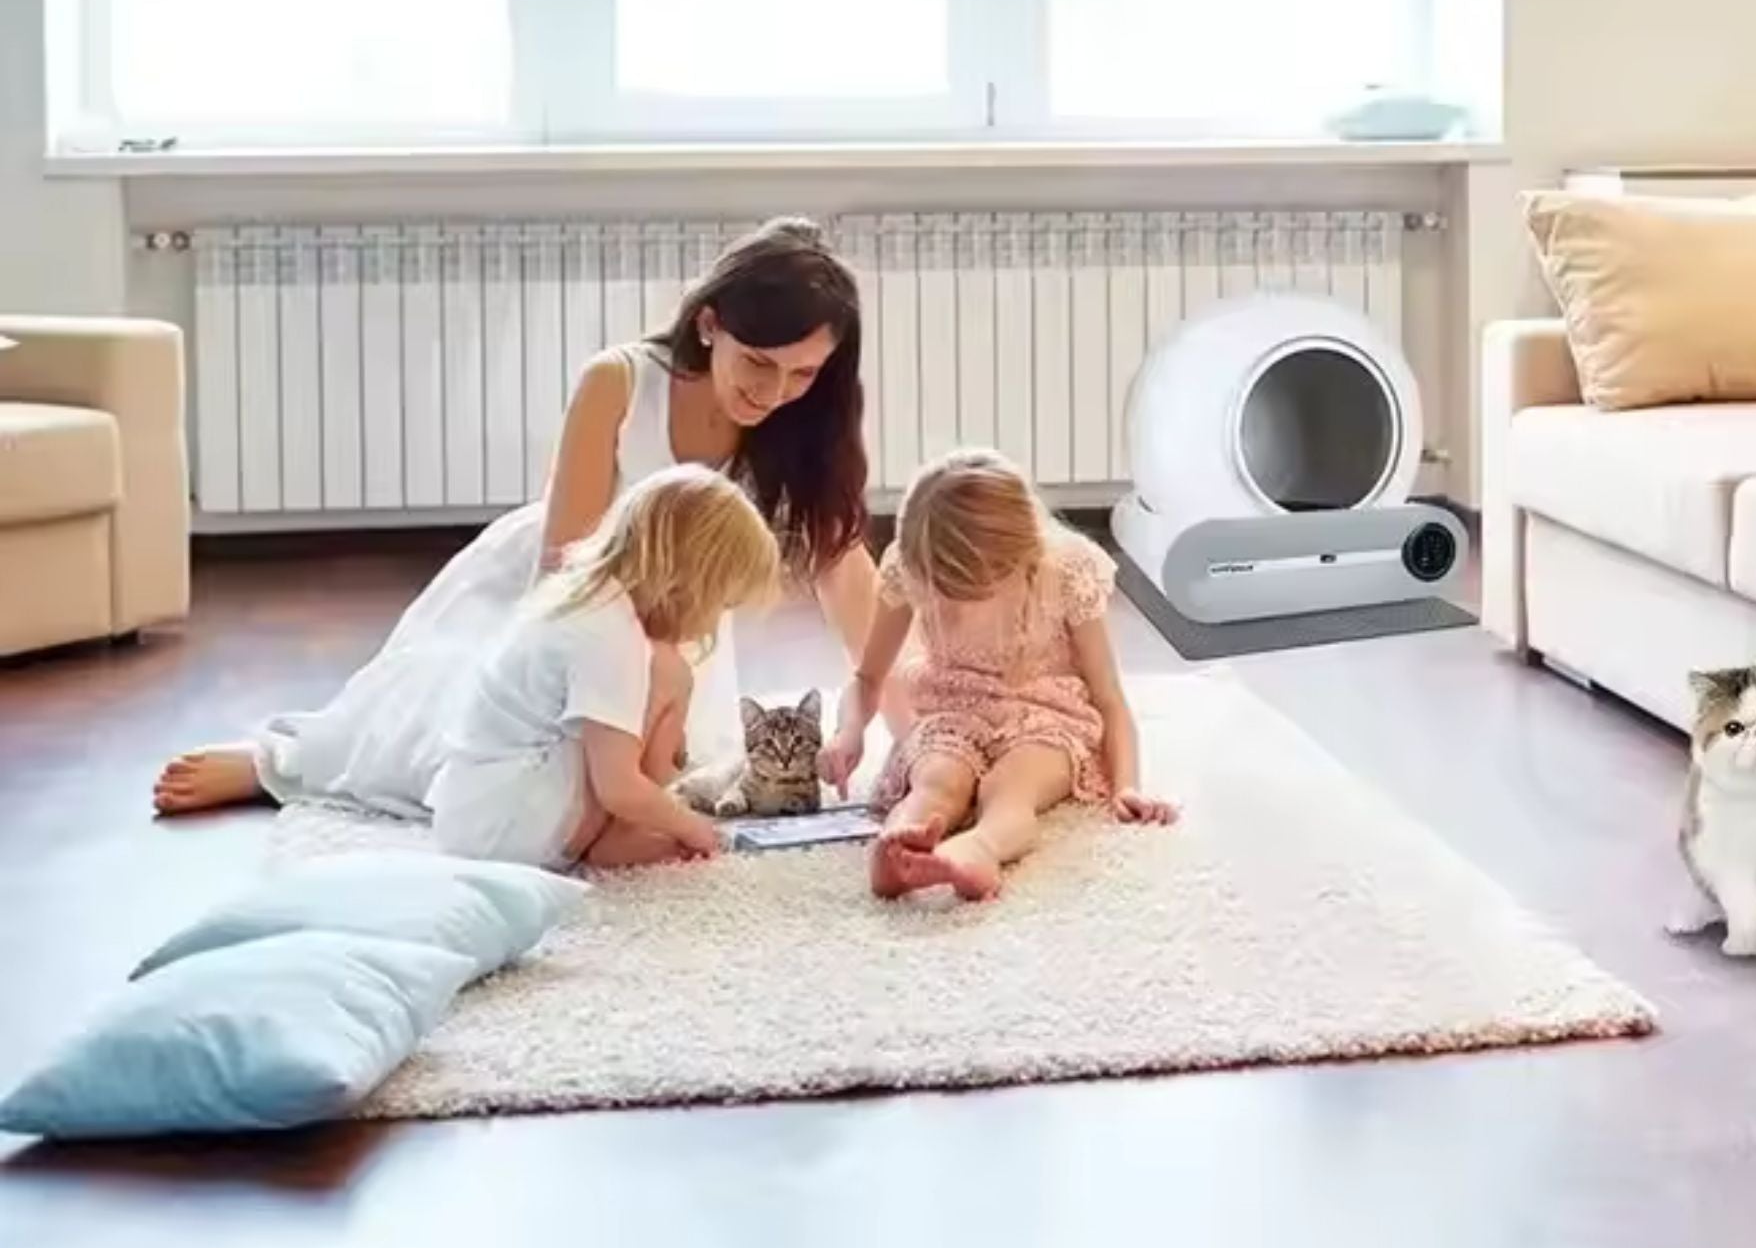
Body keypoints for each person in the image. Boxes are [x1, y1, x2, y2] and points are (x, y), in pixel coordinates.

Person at [152, 218, 879, 818]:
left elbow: (852, 584)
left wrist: (904, 706)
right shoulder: (620, 383)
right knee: (466, 758)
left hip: (679, 628)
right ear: (711, 324)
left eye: (803, 373)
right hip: (570, 598)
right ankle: (277, 761)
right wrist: (623, 670)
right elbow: (568, 563)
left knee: (665, 777)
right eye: (758, 363)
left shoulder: (802, 424)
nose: (776, 390)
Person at [818, 448, 1177, 903]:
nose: (950, 600)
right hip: (951, 709)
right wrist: (847, 732)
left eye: (965, 589)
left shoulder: (1067, 570)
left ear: (1018, 554)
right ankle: (899, 847)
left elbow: (1109, 696)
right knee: (937, 779)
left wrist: (1127, 785)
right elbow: (868, 677)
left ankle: (978, 849)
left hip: (1048, 716)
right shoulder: (914, 562)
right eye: (943, 589)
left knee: (1009, 789)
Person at [429, 466, 779, 870]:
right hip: (509, 826)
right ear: (688, 583)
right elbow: (618, 788)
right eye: (722, 603)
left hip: (476, 813)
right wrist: (693, 828)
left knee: (662, 673)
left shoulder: (587, 597)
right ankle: (619, 835)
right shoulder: (609, 635)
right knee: (669, 672)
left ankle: (623, 830)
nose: (716, 622)